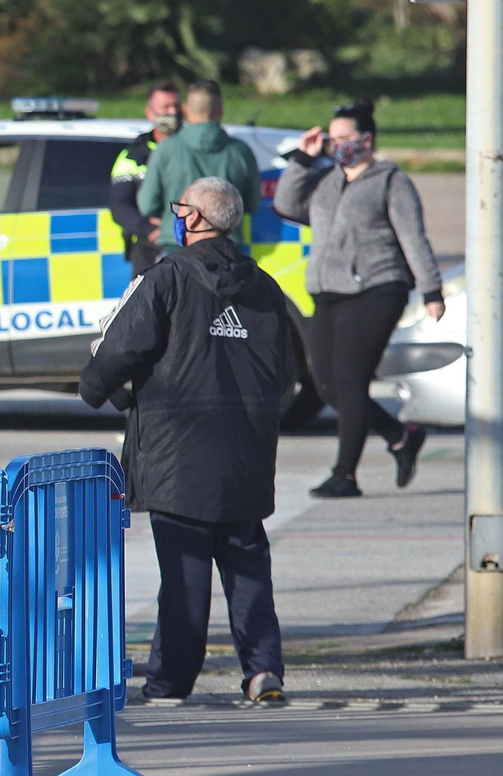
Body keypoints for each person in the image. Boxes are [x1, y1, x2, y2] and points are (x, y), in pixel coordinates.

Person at [80, 177, 290, 704]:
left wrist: (94, 386)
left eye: (181, 209)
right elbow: (283, 373)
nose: (177, 217)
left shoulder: (168, 277)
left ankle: (171, 681)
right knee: (246, 565)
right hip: (244, 449)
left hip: (177, 448)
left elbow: (121, 347)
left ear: (194, 220)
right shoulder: (265, 287)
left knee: (184, 574)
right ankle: (263, 670)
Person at [273, 99, 443, 499]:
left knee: (350, 381)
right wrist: (302, 158)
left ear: (367, 139)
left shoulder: (391, 182)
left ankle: (345, 475)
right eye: (333, 139)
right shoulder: (326, 181)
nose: (338, 146)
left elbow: (413, 238)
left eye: (345, 138)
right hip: (328, 290)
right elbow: (285, 204)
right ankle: (401, 436)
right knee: (326, 385)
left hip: (377, 288)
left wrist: (431, 289)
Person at [138, 80, 261, 255]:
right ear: (221, 109)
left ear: (186, 109)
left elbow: (148, 204)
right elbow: (251, 204)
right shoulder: (241, 152)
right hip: (227, 249)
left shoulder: (166, 149)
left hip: (176, 247)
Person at [109, 80, 181, 276]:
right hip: (148, 248)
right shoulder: (133, 157)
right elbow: (119, 205)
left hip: (190, 245)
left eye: (176, 106)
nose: (172, 112)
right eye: (165, 107)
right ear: (150, 113)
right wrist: (149, 230)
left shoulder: (193, 151)